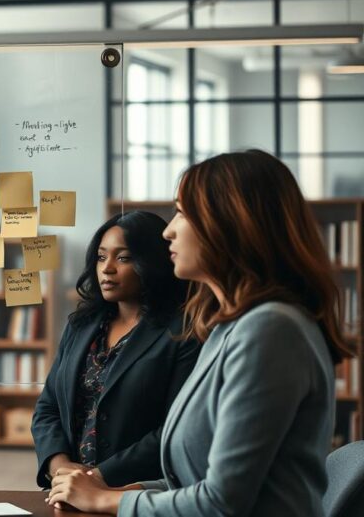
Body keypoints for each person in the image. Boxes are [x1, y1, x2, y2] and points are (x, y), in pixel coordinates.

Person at [47, 150, 355, 516]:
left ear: (231, 224)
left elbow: (221, 502)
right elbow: (195, 480)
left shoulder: (270, 330)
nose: (168, 230)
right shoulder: (228, 327)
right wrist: (115, 490)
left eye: (183, 213)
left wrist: (105, 498)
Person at [32, 211, 199, 489]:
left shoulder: (183, 333)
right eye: (101, 256)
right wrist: (58, 465)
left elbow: (175, 427)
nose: (107, 268)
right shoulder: (81, 325)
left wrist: (99, 477)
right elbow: (48, 406)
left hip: (139, 491)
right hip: (67, 489)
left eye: (123, 258)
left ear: (152, 262)